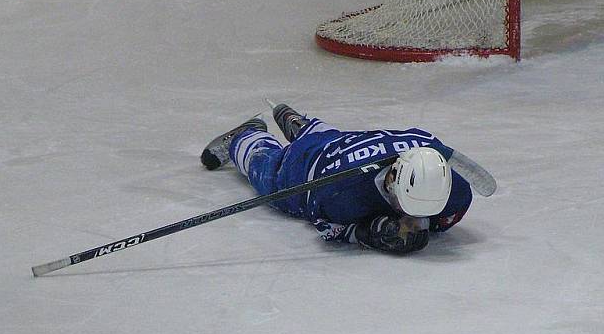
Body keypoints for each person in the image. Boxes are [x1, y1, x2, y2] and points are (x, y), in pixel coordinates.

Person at [200, 102, 488, 254]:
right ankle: (247, 135)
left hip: (343, 141)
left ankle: (303, 125)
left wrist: (425, 222)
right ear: (393, 182)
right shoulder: (340, 197)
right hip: (302, 170)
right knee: (267, 172)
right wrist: (369, 233)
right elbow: (327, 225)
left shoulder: (456, 191)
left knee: (332, 138)